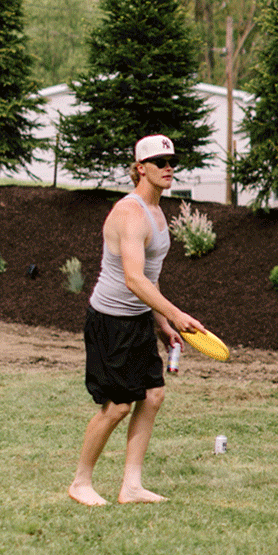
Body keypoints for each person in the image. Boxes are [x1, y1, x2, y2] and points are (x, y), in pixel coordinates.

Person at [68, 134, 207, 507]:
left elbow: (151, 275)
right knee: (117, 405)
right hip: (110, 320)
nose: (168, 167)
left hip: (139, 318)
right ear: (140, 168)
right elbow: (133, 278)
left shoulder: (158, 212)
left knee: (153, 395)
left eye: (171, 161)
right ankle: (81, 482)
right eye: (160, 162)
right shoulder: (129, 213)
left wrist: (162, 322)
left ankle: (131, 486)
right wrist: (176, 314)